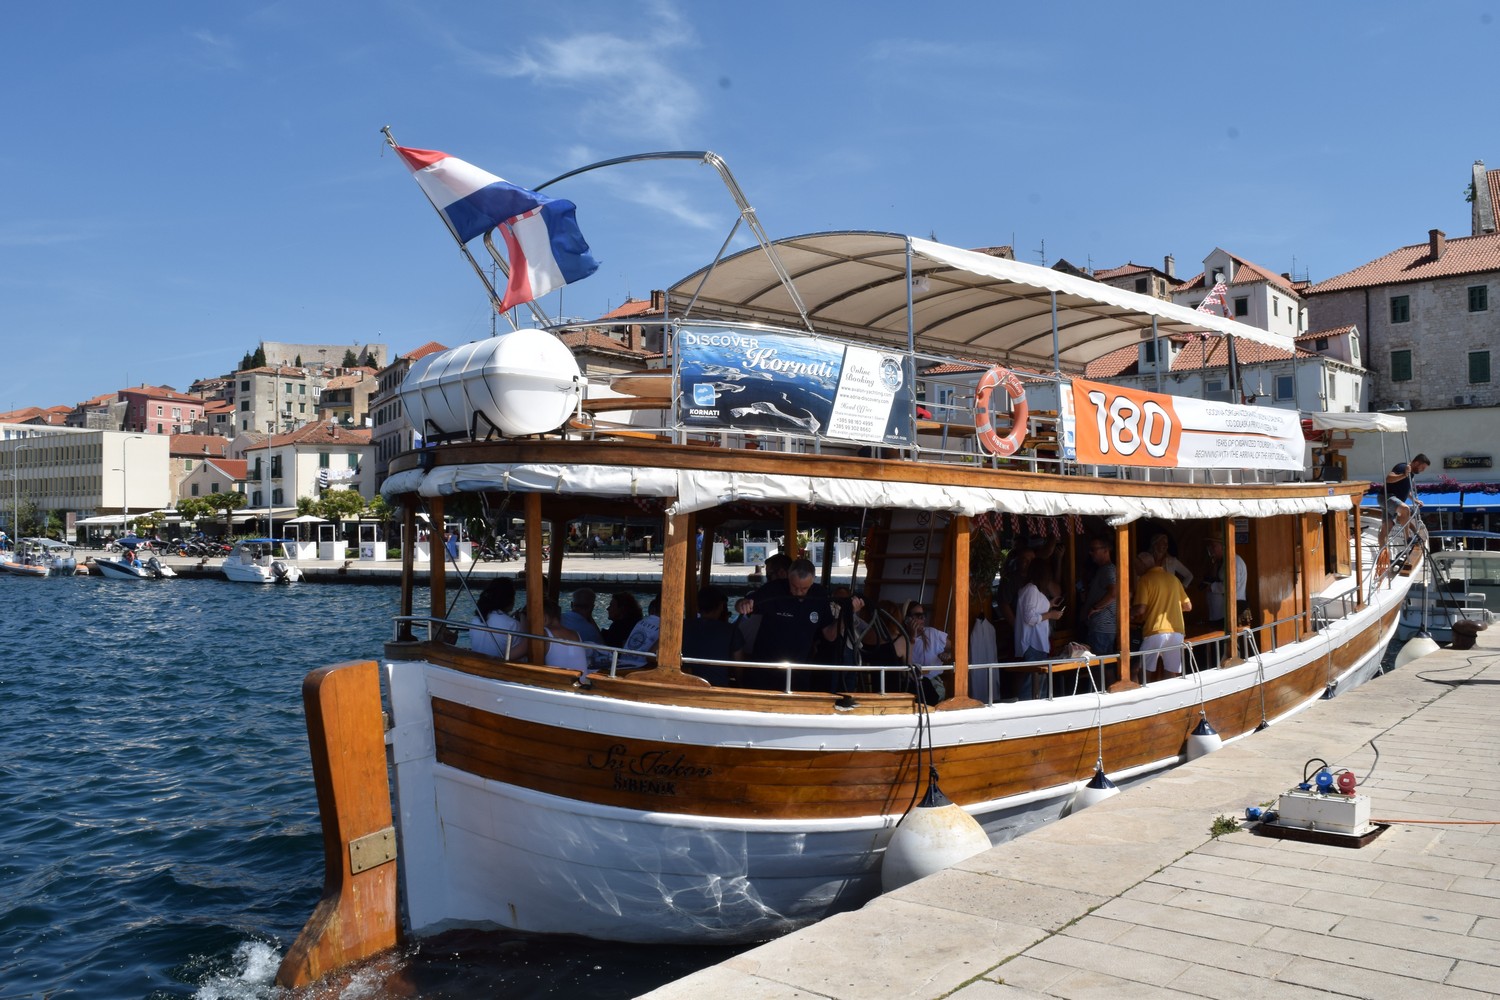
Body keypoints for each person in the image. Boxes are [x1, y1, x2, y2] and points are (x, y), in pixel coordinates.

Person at [1131, 550, 1192, 684]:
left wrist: (1128, 613)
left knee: (1143, 670)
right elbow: (1188, 606)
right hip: (1176, 632)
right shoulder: (1173, 579)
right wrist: (1171, 608)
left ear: (1143, 564)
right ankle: (1171, 699)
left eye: (1136, 566)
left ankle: (1145, 698)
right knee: (1171, 670)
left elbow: (1141, 608)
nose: (1135, 570)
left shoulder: (1145, 580)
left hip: (1155, 630)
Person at [1014, 560, 1065, 698]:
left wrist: (1048, 604)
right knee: (1032, 685)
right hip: (1033, 643)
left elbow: (1033, 611)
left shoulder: (1031, 589)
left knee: (1037, 684)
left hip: (1036, 643)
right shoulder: (1031, 590)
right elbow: (1029, 618)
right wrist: (1051, 615)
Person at [682, 585, 744, 686]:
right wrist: (741, 685)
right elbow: (739, 667)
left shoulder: (682, 626)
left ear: (698, 607)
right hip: (716, 687)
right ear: (721, 606)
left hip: (684, 685)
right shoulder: (732, 630)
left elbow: (653, 653)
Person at [1379, 453, 1431, 551]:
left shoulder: (1410, 474)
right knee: (1405, 509)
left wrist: (1414, 500)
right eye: (1422, 467)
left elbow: (1405, 490)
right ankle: (1408, 538)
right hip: (1387, 497)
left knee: (1387, 529)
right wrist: (1404, 475)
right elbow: (1388, 479)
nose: (1423, 470)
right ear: (1416, 463)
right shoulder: (1403, 467)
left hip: (1391, 500)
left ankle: (1382, 554)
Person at [904, 600, 951, 704]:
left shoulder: (932, 633)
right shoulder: (902, 638)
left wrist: (947, 654)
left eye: (924, 615)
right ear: (907, 619)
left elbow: (952, 646)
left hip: (932, 682)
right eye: (918, 615)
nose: (923, 619)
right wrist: (912, 636)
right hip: (911, 683)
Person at [471, 578, 527, 661]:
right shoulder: (512, 625)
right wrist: (523, 618)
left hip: (479, 664)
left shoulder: (475, 620)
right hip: (502, 669)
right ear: (509, 599)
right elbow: (524, 647)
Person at [562, 588, 607, 670]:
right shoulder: (591, 631)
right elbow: (603, 650)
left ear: (572, 604)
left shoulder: (560, 619)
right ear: (592, 607)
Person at [542, 599, 589, 673]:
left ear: (544, 617)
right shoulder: (576, 634)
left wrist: (522, 618)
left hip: (559, 682)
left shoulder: (545, 633)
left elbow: (520, 652)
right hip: (580, 682)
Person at [619, 595, 662, 669]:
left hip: (621, 663)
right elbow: (650, 657)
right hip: (639, 668)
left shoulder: (642, 621)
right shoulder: (665, 627)